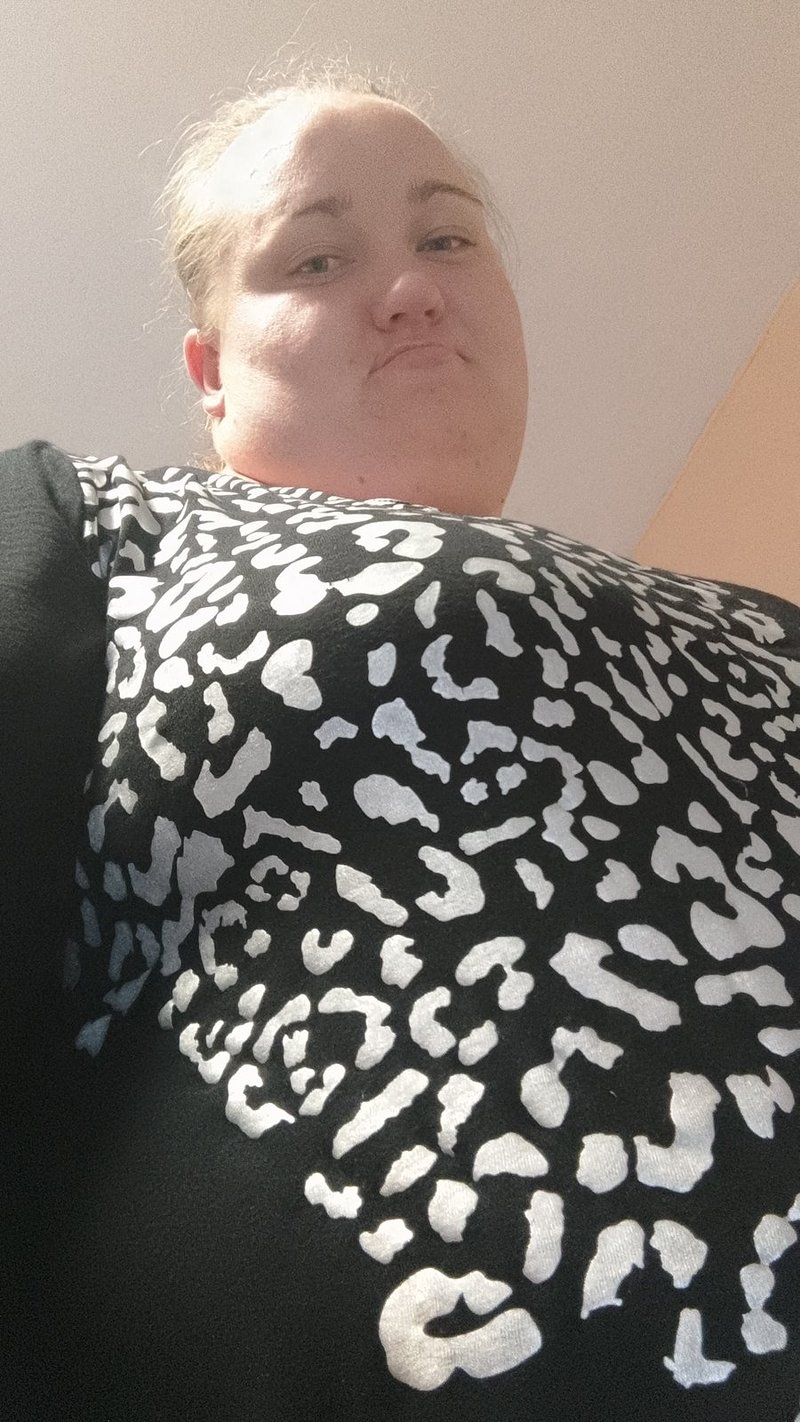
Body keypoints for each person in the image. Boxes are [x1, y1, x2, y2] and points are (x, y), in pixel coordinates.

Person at [2, 63, 799, 1422]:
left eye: (449, 235)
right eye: (316, 257)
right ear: (211, 372)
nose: (413, 288)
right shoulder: (94, 527)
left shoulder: (761, 623)